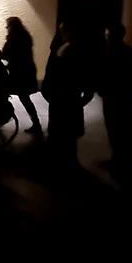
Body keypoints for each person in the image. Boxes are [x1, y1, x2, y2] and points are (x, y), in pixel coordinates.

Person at [41, 24, 94, 170]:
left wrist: (48, 92)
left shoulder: (63, 50)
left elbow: (52, 74)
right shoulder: (77, 50)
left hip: (62, 97)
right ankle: (68, 161)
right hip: (69, 98)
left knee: (60, 132)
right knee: (68, 134)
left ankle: (61, 162)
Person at [97, 23, 132, 178]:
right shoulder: (131, 52)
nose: (106, 37)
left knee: (116, 129)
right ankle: (122, 161)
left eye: (107, 35)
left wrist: (102, 89)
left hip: (114, 97)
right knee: (124, 129)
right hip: (127, 98)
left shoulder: (109, 53)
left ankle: (120, 163)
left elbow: (104, 75)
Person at [2, 17, 43, 137]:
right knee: (25, 98)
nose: (7, 28)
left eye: (8, 26)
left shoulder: (13, 39)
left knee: (6, 92)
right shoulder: (25, 37)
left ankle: (1, 115)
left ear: (11, 27)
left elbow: (6, 54)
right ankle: (36, 123)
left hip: (18, 74)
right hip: (26, 72)